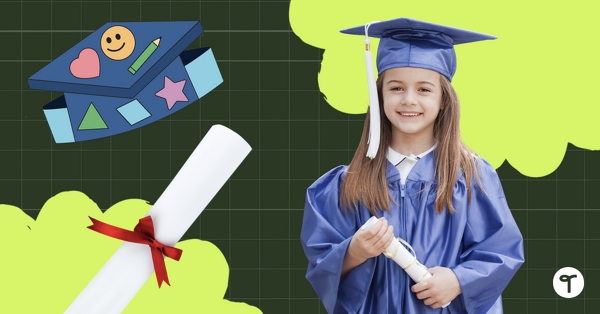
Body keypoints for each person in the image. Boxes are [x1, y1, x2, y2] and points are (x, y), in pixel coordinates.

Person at [300, 17, 524, 314]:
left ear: (444, 98)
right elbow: (320, 261)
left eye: (424, 90)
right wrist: (353, 251)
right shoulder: (345, 185)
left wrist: (459, 280)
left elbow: (501, 252)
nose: (408, 100)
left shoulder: (472, 178)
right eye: (396, 88)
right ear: (379, 95)